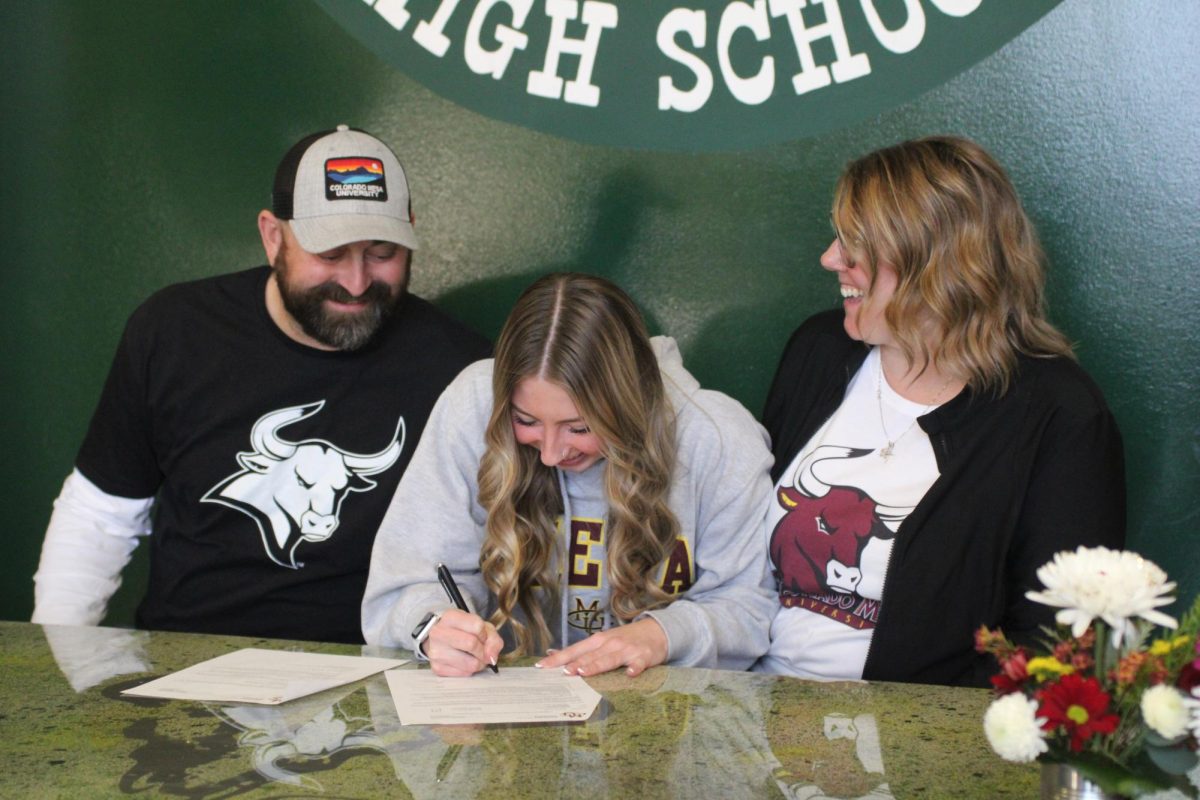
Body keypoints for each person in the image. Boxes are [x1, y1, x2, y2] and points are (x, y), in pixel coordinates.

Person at [31, 125, 490, 644]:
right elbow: (99, 516)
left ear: (410, 230)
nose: (357, 281)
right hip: (187, 670)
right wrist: (52, 660)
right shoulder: (175, 330)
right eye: (331, 253)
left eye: (381, 252)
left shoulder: (463, 370)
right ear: (274, 236)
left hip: (373, 680)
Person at [753, 136, 1125, 687]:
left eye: (857, 243)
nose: (831, 258)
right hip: (755, 702)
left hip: (910, 746)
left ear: (939, 263)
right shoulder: (820, 349)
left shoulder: (1060, 416)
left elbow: (1054, 650)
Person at [362, 272, 775, 677]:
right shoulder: (472, 404)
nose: (551, 453)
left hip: (666, 717)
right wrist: (433, 625)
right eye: (526, 421)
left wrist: (662, 636)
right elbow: (405, 586)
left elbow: (751, 608)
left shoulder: (717, 436)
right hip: (506, 708)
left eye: (579, 428)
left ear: (630, 401)